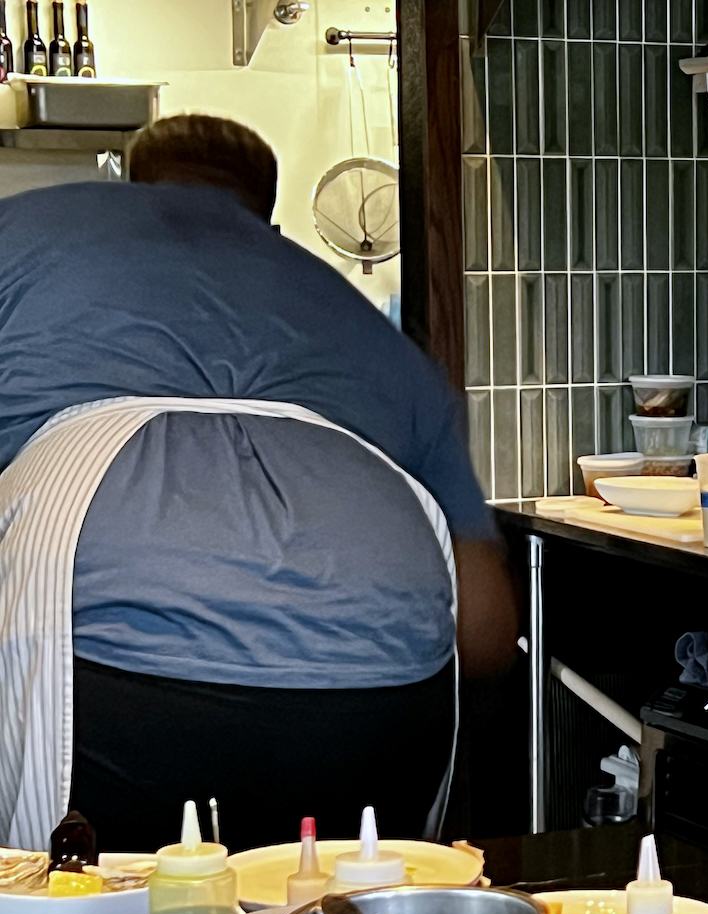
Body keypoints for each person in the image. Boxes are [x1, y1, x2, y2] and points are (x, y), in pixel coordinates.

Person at [0, 114, 516, 852]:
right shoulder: (365, 327)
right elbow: (488, 630)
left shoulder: (25, 233)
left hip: (117, 680)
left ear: (132, 179)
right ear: (267, 213)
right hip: (383, 701)